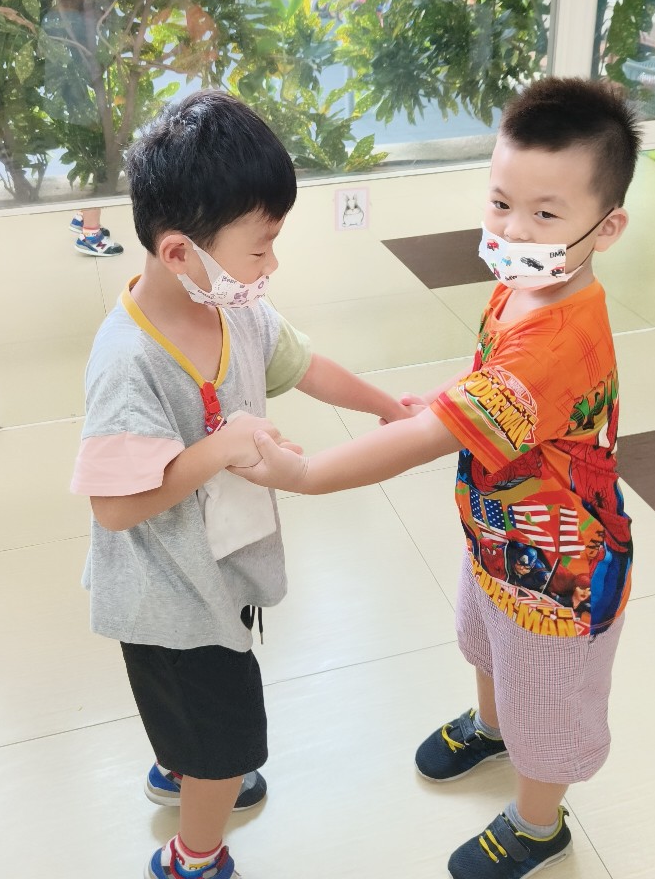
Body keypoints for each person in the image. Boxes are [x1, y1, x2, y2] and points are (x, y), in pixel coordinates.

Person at [234, 77, 640, 879]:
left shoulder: (555, 342)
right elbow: (487, 383)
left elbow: (429, 437)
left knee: (544, 702)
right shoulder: (527, 287)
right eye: (500, 203)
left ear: (609, 226)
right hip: (500, 533)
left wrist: (306, 473)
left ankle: (538, 824)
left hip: (559, 572)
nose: (513, 229)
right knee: (486, 640)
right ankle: (493, 728)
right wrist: (457, 399)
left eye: (545, 215)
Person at [69, 90, 409, 879]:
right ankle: (194, 851)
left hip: (219, 567)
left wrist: (387, 406)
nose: (271, 267)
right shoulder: (128, 363)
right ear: (180, 253)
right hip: (168, 597)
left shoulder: (235, 307)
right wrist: (218, 448)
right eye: (261, 248)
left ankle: (181, 765)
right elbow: (113, 507)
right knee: (226, 745)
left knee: (193, 719)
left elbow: (303, 364)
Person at [42, 0, 124, 256]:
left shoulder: (51, 17)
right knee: (99, 162)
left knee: (87, 155)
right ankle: (90, 234)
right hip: (79, 101)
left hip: (65, 101)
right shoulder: (78, 22)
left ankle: (81, 217)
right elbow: (92, 58)